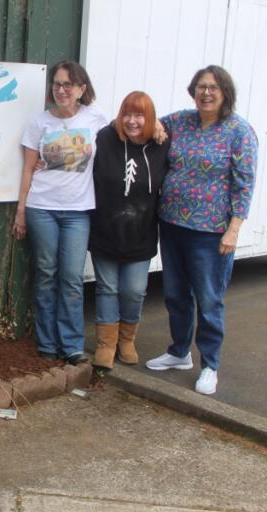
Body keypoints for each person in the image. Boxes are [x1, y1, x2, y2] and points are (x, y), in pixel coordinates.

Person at [145, 65, 258, 395]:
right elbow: (146, 121)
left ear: (225, 92)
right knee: (175, 295)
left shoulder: (239, 131)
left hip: (211, 233)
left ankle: (210, 364)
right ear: (192, 91)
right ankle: (180, 352)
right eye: (200, 87)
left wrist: (234, 229)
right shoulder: (181, 121)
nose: (205, 93)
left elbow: (244, 184)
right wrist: (155, 129)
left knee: (209, 301)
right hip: (173, 224)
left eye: (212, 87)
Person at [12, 60, 109, 365]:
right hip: (42, 208)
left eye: (68, 84)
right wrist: (21, 212)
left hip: (78, 211)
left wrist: (157, 127)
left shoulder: (96, 119)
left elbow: (125, 139)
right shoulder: (40, 123)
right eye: (57, 83)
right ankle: (47, 342)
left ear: (82, 88)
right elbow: (28, 169)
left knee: (71, 278)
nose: (61, 89)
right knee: (46, 274)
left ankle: (72, 345)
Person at [89, 92, 169, 370]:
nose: (132, 121)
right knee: (107, 288)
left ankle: (126, 340)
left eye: (140, 115)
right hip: (105, 230)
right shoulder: (105, 139)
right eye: (127, 114)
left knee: (134, 290)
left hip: (141, 233)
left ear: (151, 119)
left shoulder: (162, 145)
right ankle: (106, 344)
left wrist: (159, 126)